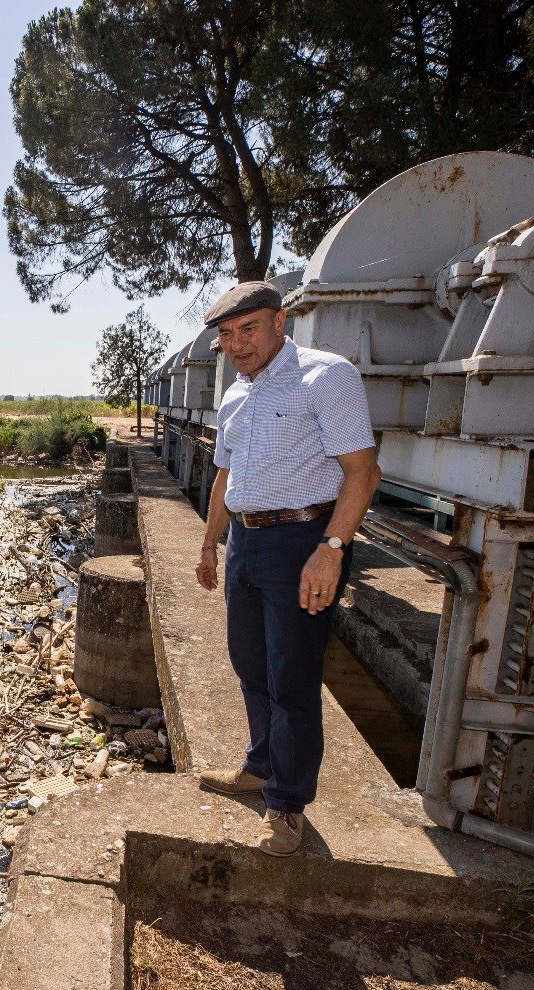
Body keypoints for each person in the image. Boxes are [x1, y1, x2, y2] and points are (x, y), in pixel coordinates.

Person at [193, 281, 380, 856]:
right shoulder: (234, 397)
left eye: (248, 329)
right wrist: (209, 544)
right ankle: (259, 763)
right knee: (250, 663)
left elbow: (362, 471)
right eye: (227, 334)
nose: (237, 344)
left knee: (292, 675)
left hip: (303, 540)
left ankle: (286, 805)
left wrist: (331, 548)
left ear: (280, 322)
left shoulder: (327, 377)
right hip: (245, 545)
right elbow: (225, 476)